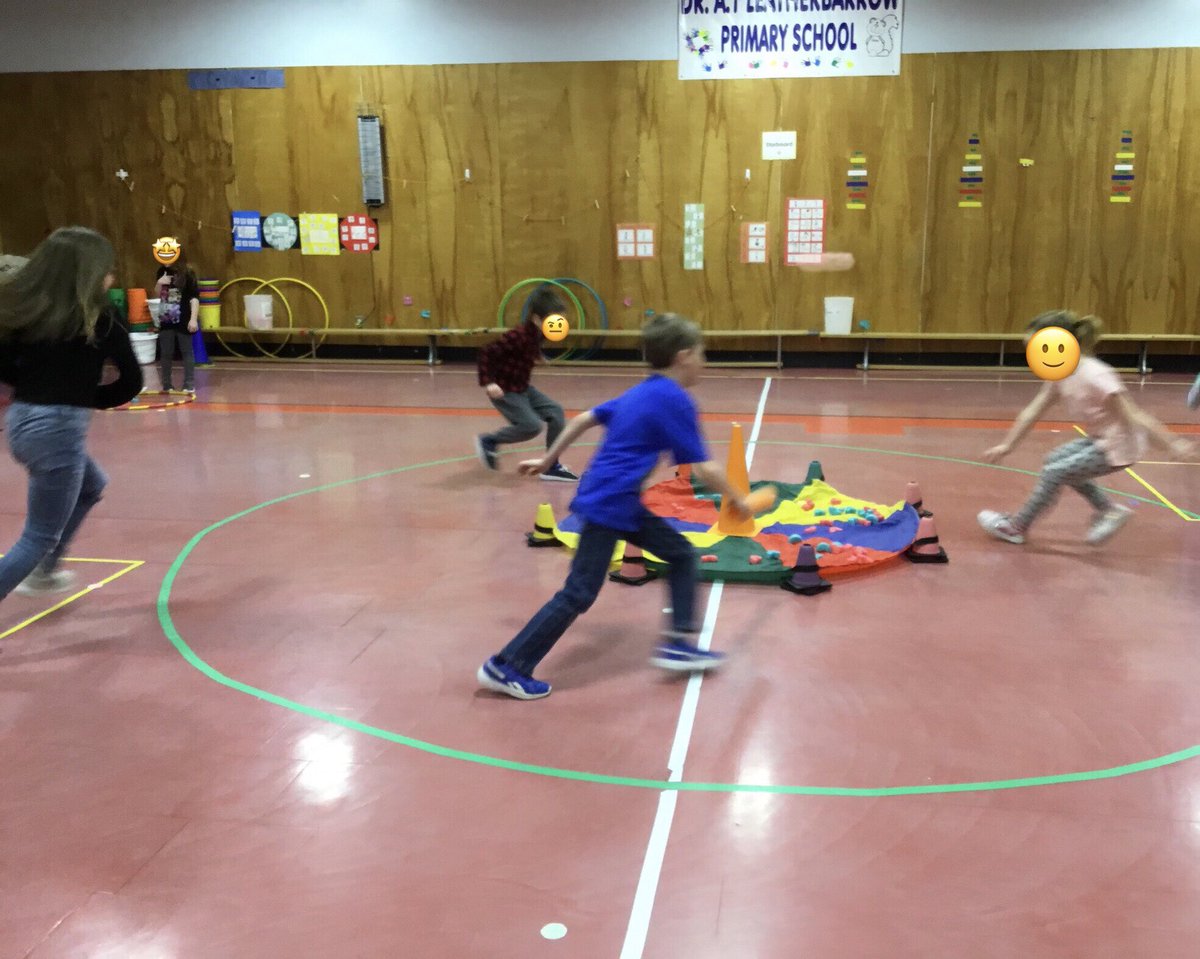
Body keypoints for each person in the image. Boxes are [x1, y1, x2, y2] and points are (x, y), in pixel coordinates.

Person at [477, 312, 753, 700]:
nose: (704, 362)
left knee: (681, 554)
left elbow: (586, 418)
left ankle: (679, 645)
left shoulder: (643, 391)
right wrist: (740, 499)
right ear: (683, 355)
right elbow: (705, 467)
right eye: (702, 353)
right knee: (579, 592)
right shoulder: (675, 399)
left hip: (617, 499)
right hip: (610, 502)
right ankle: (507, 665)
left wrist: (548, 459)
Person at [0, 227, 142, 600]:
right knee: (37, 536)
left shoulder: (25, 310)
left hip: (21, 422)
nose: (111, 277)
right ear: (91, 273)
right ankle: (39, 568)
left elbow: (4, 369)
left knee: (91, 486)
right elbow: (131, 382)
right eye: (108, 270)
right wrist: (83, 396)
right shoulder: (102, 317)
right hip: (57, 431)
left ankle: (45, 572)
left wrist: (45, 388)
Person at [978, 310, 1192, 546]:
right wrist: (1007, 445)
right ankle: (1109, 510)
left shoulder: (1095, 375)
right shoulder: (1059, 371)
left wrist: (1172, 443)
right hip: (1100, 439)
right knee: (1054, 460)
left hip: (1118, 446)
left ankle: (1017, 527)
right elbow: (1034, 410)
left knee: (1055, 472)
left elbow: (1134, 415)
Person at [474, 284, 577, 481]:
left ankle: (551, 465)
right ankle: (490, 441)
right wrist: (488, 383)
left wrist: (538, 356)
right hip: (505, 389)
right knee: (531, 426)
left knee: (555, 412)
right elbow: (486, 353)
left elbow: (529, 348)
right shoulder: (518, 335)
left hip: (522, 387)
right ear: (537, 319)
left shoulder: (537, 334)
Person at [153, 246, 200, 394]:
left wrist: (193, 319)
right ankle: (167, 384)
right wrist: (160, 283)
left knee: (187, 351)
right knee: (166, 352)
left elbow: (194, 298)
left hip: (183, 317)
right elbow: (157, 294)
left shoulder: (188, 273)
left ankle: (188, 383)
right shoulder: (162, 271)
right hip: (166, 317)